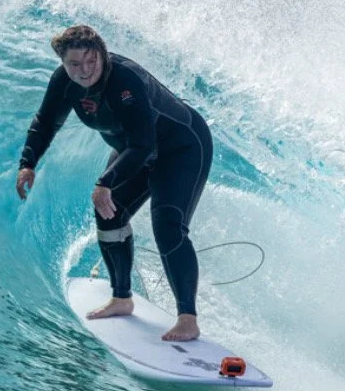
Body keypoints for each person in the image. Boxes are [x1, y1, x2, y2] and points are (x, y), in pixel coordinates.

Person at [15, 25, 212, 342]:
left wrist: (105, 181)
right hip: (134, 151)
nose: (84, 70)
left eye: (90, 60)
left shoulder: (124, 80)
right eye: (74, 64)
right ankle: (122, 298)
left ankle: (187, 318)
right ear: (63, 63)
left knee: (168, 226)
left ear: (102, 54)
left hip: (181, 148)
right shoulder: (65, 82)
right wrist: (28, 163)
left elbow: (144, 144)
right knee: (109, 212)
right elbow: (46, 121)